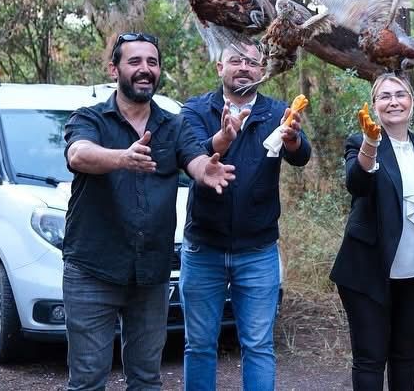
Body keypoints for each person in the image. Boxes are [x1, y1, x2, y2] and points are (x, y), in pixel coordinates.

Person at [63, 32, 236, 390]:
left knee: (146, 379)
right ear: (114, 70)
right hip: (93, 268)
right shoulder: (90, 118)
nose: (145, 69)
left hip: (150, 273)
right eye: (135, 61)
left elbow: (194, 157)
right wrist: (122, 158)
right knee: (87, 380)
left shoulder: (173, 124)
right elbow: (78, 154)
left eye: (152, 62)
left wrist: (205, 171)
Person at [179, 42, 311, 390]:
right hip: (203, 248)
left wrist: (293, 140)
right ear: (219, 68)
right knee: (199, 345)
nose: (244, 67)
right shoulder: (196, 109)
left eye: (252, 62)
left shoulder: (277, 111)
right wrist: (222, 138)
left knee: (258, 345)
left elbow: (301, 157)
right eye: (235, 60)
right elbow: (188, 153)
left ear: (262, 71)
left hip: (258, 250)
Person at [330, 73, 414, 391]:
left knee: (405, 356)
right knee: (370, 359)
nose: (393, 102)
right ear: (374, 105)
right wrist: (370, 144)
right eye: (384, 96)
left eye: (400, 94)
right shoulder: (359, 142)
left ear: (411, 102)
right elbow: (357, 184)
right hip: (367, 272)